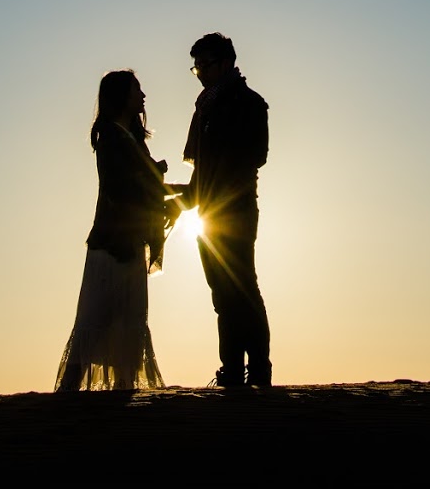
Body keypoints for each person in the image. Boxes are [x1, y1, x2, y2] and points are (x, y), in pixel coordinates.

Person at [167, 32, 272, 389]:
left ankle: (257, 368)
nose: (200, 73)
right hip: (208, 212)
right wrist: (180, 202)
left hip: (237, 210)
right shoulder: (205, 107)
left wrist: (205, 186)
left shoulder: (250, 103)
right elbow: (201, 173)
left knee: (242, 287)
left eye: (205, 65)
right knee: (221, 293)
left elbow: (255, 156)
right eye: (196, 68)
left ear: (225, 63)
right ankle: (231, 369)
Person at [55, 69, 167, 391]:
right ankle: (71, 392)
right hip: (112, 242)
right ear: (122, 95)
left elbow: (141, 188)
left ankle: (123, 389)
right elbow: (123, 188)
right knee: (96, 318)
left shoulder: (127, 138)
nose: (143, 96)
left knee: (127, 321)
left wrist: (173, 194)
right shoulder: (112, 138)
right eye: (137, 90)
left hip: (128, 242)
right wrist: (162, 193)